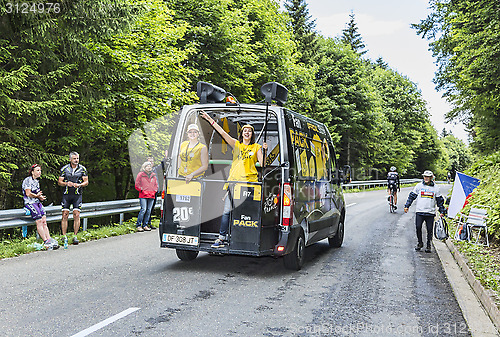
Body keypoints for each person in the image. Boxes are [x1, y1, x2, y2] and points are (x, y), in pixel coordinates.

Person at [200, 112, 267, 248]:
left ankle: (249, 238)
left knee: (247, 213)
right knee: (226, 212)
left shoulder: (256, 147)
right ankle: (221, 238)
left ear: (252, 134)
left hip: (249, 184)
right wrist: (209, 120)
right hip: (233, 183)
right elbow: (223, 133)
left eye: (249, 131)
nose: (247, 133)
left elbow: (263, 163)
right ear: (241, 133)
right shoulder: (236, 144)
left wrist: (265, 151)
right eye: (245, 131)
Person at [404, 170, 446, 253]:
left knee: (429, 229)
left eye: (428, 177)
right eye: (425, 176)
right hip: (420, 211)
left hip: (430, 212)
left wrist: (442, 210)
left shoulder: (435, 188)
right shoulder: (419, 186)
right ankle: (420, 243)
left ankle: (428, 244)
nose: (426, 178)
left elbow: (439, 200)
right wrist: (407, 206)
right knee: (418, 227)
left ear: (431, 178)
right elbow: (412, 196)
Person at [23, 164, 59, 250]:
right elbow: (28, 193)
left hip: (38, 203)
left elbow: (37, 194)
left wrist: (40, 197)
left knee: (44, 221)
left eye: (40, 170)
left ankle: (49, 239)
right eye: (38, 170)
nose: (40, 172)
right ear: (32, 172)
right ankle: (45, 241)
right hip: (30, 203)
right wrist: (37, 196)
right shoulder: (28, 180)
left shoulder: (37, 181)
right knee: (39, 221)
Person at [58, 151, 89, 245]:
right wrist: (66, 183)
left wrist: (79, 185)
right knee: (65, 215)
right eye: (74, 159)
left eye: (77, 158)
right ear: (70, 159)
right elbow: (59, 182)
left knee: (76, 214)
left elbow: (86, 182)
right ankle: (64, 235)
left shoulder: (82, 169)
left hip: (77, 194)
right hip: (66, 194)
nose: (76, 160)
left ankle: (75, 236)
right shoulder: (64, 169)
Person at [135, 161, 158, 232]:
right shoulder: (140, 174)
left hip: (151, 195)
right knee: (143, 210)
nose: (149, 167)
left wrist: (154, 191)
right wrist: (141, 190)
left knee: (149, 211)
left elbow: (156, 185)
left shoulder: (153, 175)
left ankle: (145, 225)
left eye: (150, 166)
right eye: (147, 166)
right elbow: (137, 184)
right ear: (144, 167)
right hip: (143, 195)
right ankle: (138, 225)